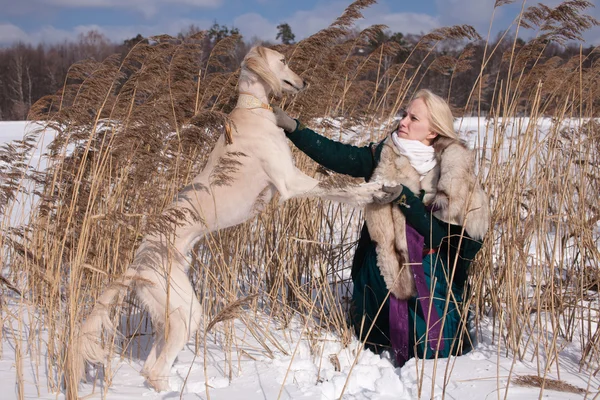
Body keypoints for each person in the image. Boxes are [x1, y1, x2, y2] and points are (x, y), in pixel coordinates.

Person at [272, 89, 490, 367]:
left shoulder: (452, 172)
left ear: (433, 130)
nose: (403, 122)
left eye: (414, 118)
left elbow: (438, 235)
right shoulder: (384, 155)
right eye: (404, 114)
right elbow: (338, 156)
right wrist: (294, 128)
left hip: (430, 268)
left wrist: (406, 197)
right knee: (375, 335)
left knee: (436, 349)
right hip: (382, 267)